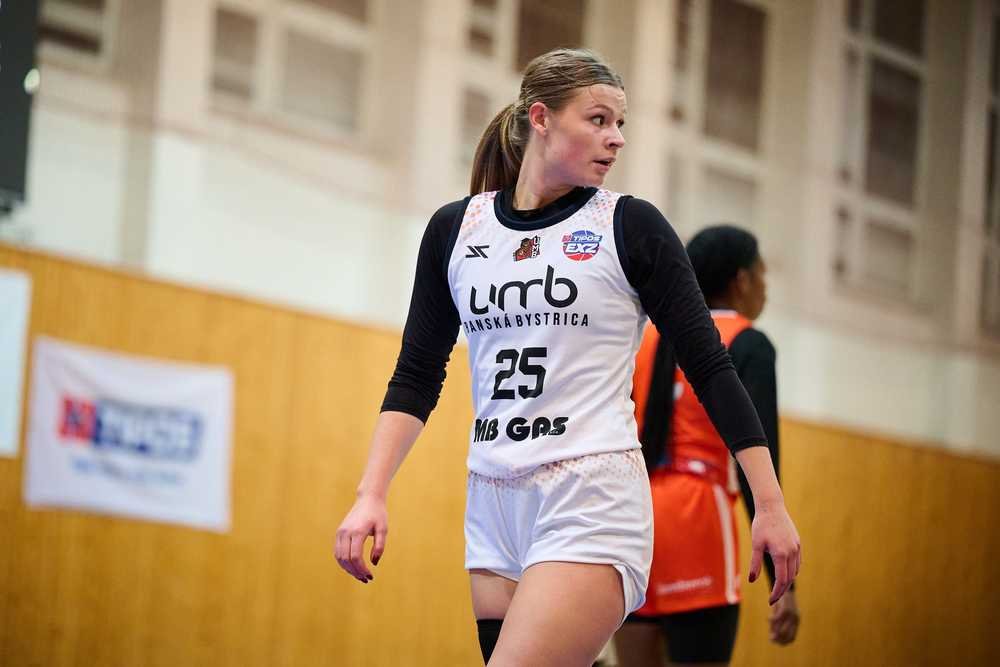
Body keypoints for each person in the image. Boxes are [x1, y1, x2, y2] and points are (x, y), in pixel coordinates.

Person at [333, 48, 801, 667]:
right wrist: (371, 492)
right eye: (599, 119)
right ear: (542, 118)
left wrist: (770, 504)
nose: (617, 138)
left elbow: (711, 367)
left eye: (620, 124)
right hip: (493, 496)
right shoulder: (457, 230)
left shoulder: (629, 226)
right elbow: (417, 374)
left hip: (590, 493)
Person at [613, 225, 800, 667]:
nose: (766, 288)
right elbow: (760, 459)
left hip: (633, 518)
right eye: (763, 275)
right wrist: (785, 585)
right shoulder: (747, 342)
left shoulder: (646, 337)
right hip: (697, 522)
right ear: (742, 281)